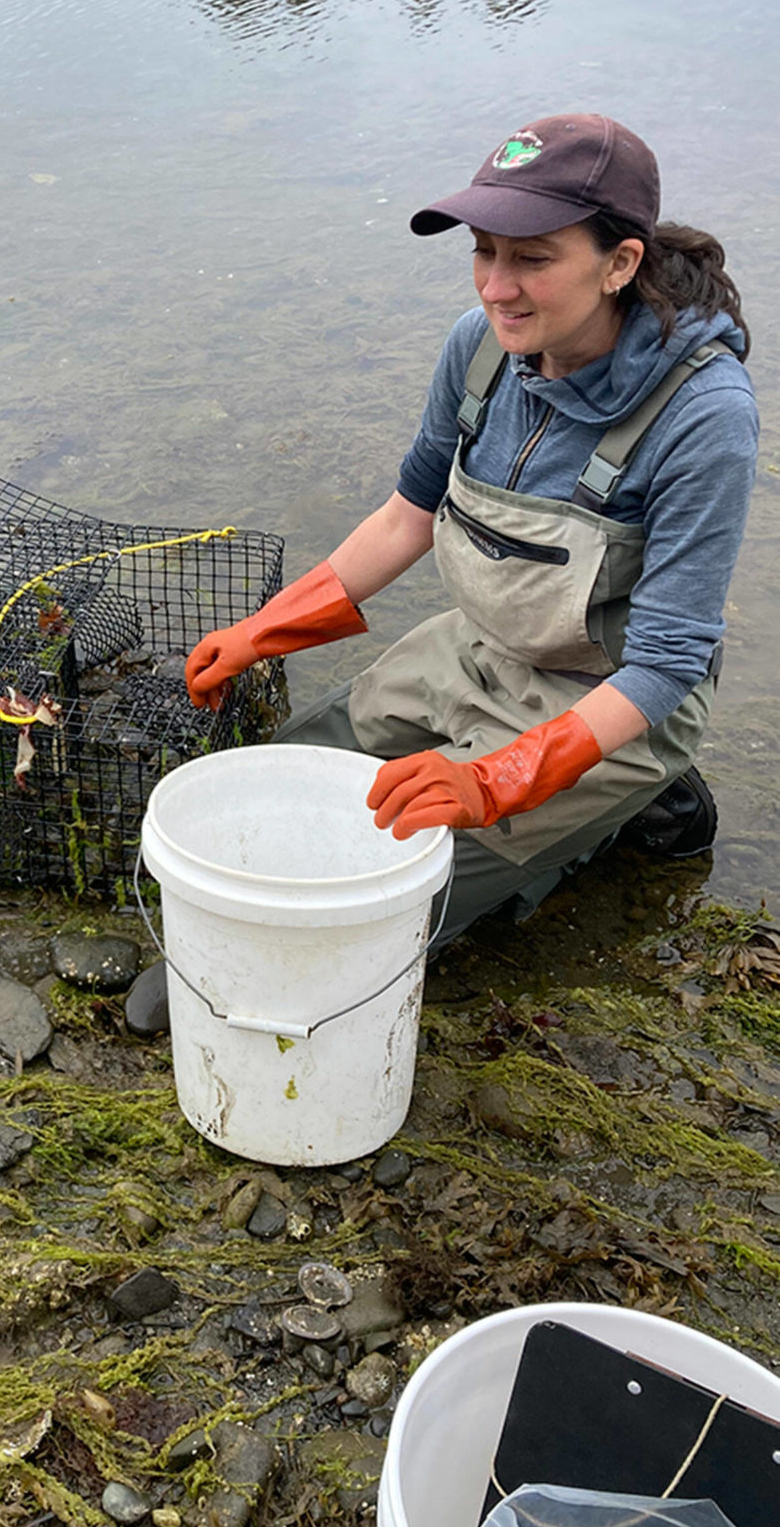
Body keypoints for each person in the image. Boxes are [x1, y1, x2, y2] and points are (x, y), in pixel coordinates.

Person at [185, 113, 758, 957]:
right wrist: (258, 633)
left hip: (612, 697)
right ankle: (551, 790)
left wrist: (491, 782)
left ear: (619, 263)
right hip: (480, 646)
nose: (496, 287)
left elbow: (666, 665)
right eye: (483, 252)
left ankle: (624, 806)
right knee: (288, 780)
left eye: (532, 258)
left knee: (364, 918)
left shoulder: (705, 418)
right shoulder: (480, 349)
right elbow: (406, 514)